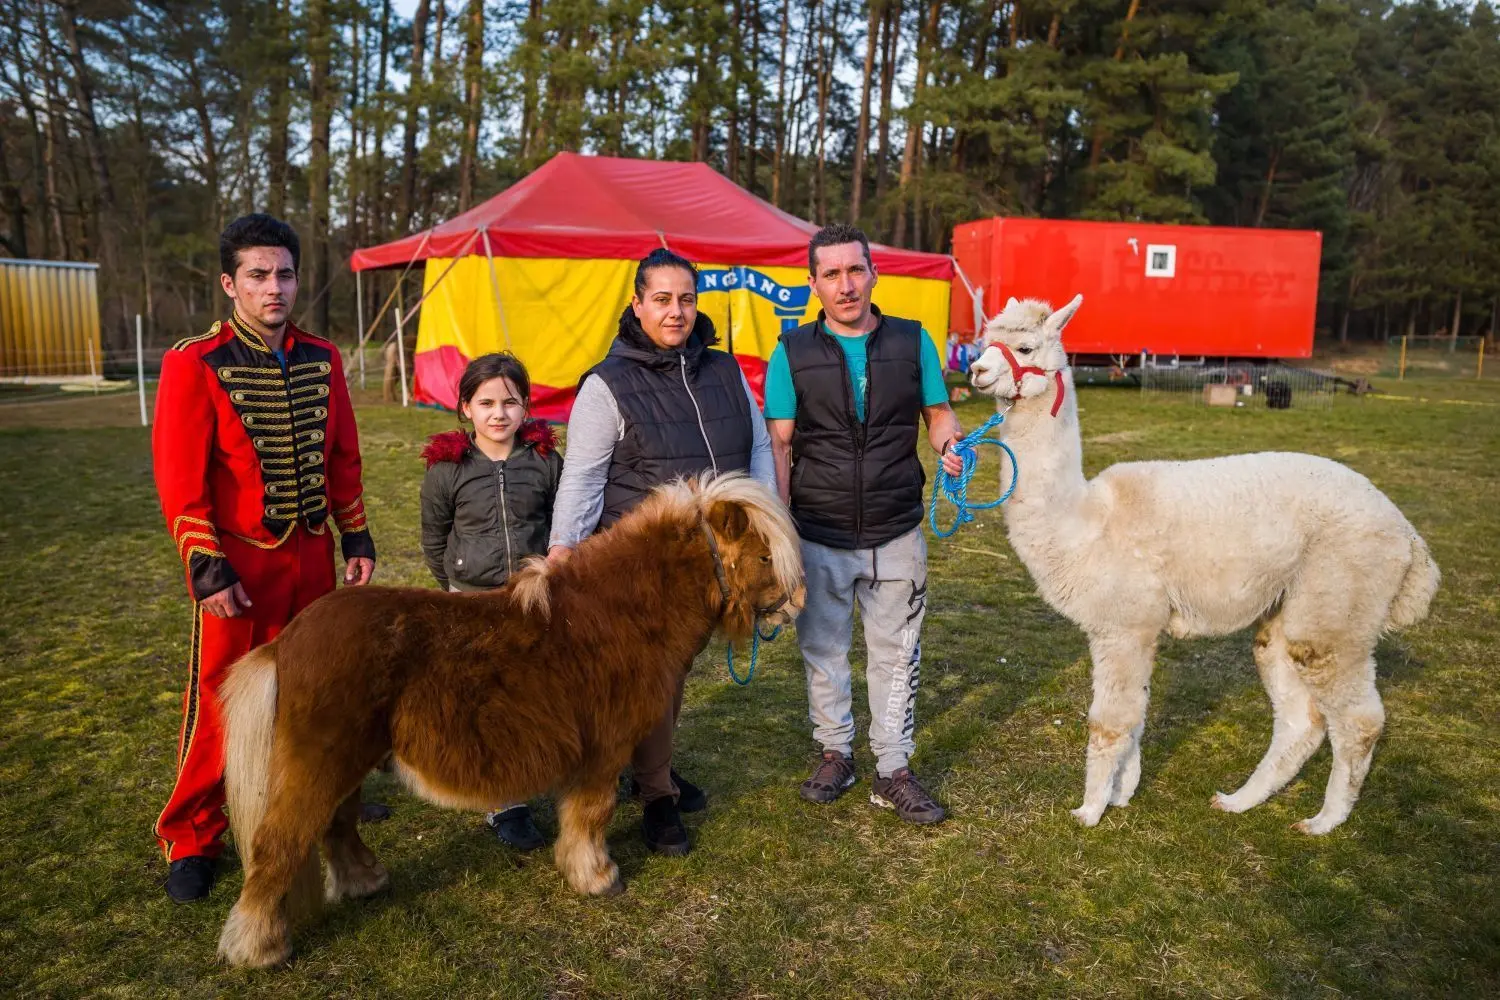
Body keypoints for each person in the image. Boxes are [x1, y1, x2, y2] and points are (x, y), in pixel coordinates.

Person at [152, 213, 377, 902]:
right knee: (222, 701)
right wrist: (203, 561)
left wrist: (357, 534)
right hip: (239, 571)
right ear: (230, 283)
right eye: (257, 275)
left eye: (283, 274)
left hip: (312, 563)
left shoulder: (323, 357)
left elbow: (342, 455)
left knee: (318, 691)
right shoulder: (193, 362)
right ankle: (193, 833)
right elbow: (179, 478)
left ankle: (326, 803)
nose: (273, 287)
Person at [547, 247, 775, 857]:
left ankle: (653, 768)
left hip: (712, 564)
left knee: (675, 676)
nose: (676, 312)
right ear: (637, 304)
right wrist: (564, 546)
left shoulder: (724, 372)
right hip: (640, 568)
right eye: (663, 300)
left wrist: (766, 523)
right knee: (655, 679)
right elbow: (583, 476)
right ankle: (655, 795)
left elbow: (755, 447)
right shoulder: (608, 383)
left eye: (687, 299)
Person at [764, 223, 964, 825]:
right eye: (832, 274)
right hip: (818, 531)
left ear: (873, 274)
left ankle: (892, 768)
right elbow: (779, 445)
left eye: (855, 271)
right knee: (823, 651)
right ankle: (835, 752)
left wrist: (949, 441)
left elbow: (937, 412)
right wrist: (781, 533)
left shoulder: (912, 341)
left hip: (896, 528)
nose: (845, 285)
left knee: (896, 655)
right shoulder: (792, 352)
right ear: (813, 283)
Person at [419, 352, 564, 851]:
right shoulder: (447, 470)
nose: (498, 413)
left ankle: (540, 768)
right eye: (486, 403)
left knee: (529, 691)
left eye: (510, 402)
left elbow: (560, 523)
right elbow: (434, 538)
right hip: (474, 602)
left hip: (530, 599)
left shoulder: (544, 462)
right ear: (465, 408)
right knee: (488, 699)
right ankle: (505, 801)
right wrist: (457, 586)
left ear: (526, 407)